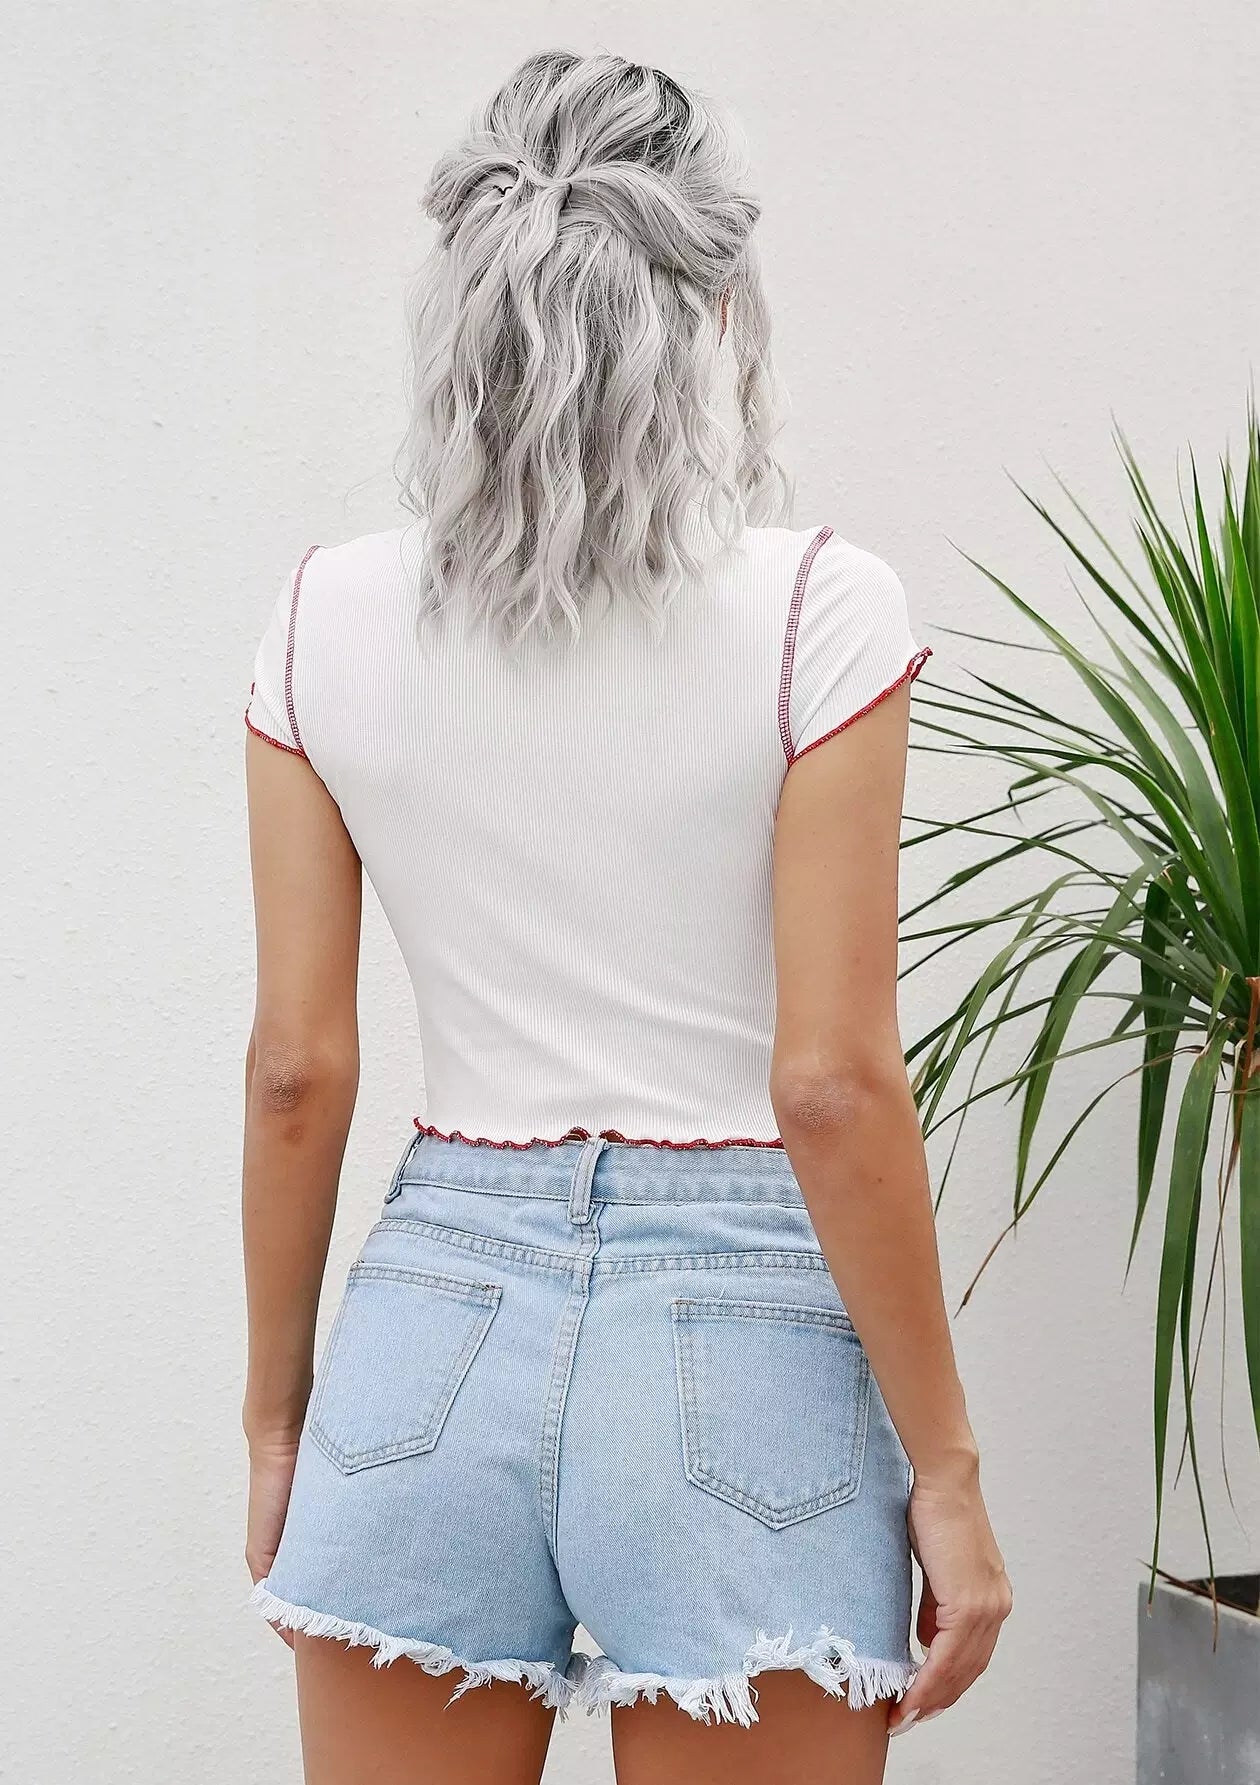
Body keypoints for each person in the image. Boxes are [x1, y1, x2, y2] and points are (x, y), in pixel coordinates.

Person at [239, 48, 1011, 1785]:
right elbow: (831, 1084)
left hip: (429, 1320)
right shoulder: (817, 608)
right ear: (719, 303)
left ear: (462, 310)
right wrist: (947, 1474)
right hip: (743, 1331)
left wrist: (280, 1418)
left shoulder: (319, 618)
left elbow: (296, 1070)